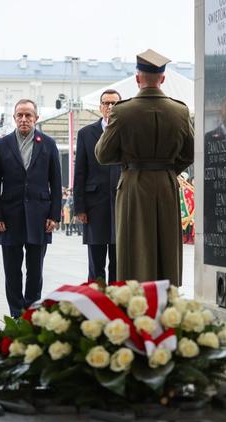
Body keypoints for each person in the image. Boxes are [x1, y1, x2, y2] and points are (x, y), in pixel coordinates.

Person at [95, 49, 194, 286]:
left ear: (138, 78)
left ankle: (135, 302)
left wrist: (129, 158)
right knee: (166, 247)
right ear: (163, 78)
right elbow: (190, 152)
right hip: (166, 182)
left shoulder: (122, 111)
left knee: (133, 248)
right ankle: (166, 301)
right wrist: (169, 168)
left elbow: (102, 154)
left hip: (134, 184)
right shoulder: (180, 111)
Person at [0, 99, 62, 318]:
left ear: (36, 118)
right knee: (12, 270)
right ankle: (16, 314)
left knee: (35, 270)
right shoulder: (2, 145)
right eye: (19, 115)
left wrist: (54, 215)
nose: (23, 119)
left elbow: (55, 182)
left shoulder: (48, 144)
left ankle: (31, 312)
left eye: (28, 115)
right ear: (14, 118)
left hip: (39, 216)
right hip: (9, 217)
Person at [74, 89, 122, 283]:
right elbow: (79, 172)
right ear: (100, 107)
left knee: (119, 262)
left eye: (114, 103)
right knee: (96, 262)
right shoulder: (86, 133)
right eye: (106, 103)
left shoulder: (127, 131)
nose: (110, 107)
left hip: (121, 202)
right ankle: (97, 303)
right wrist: (79, 207)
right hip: (95, 205)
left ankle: (118, 305)